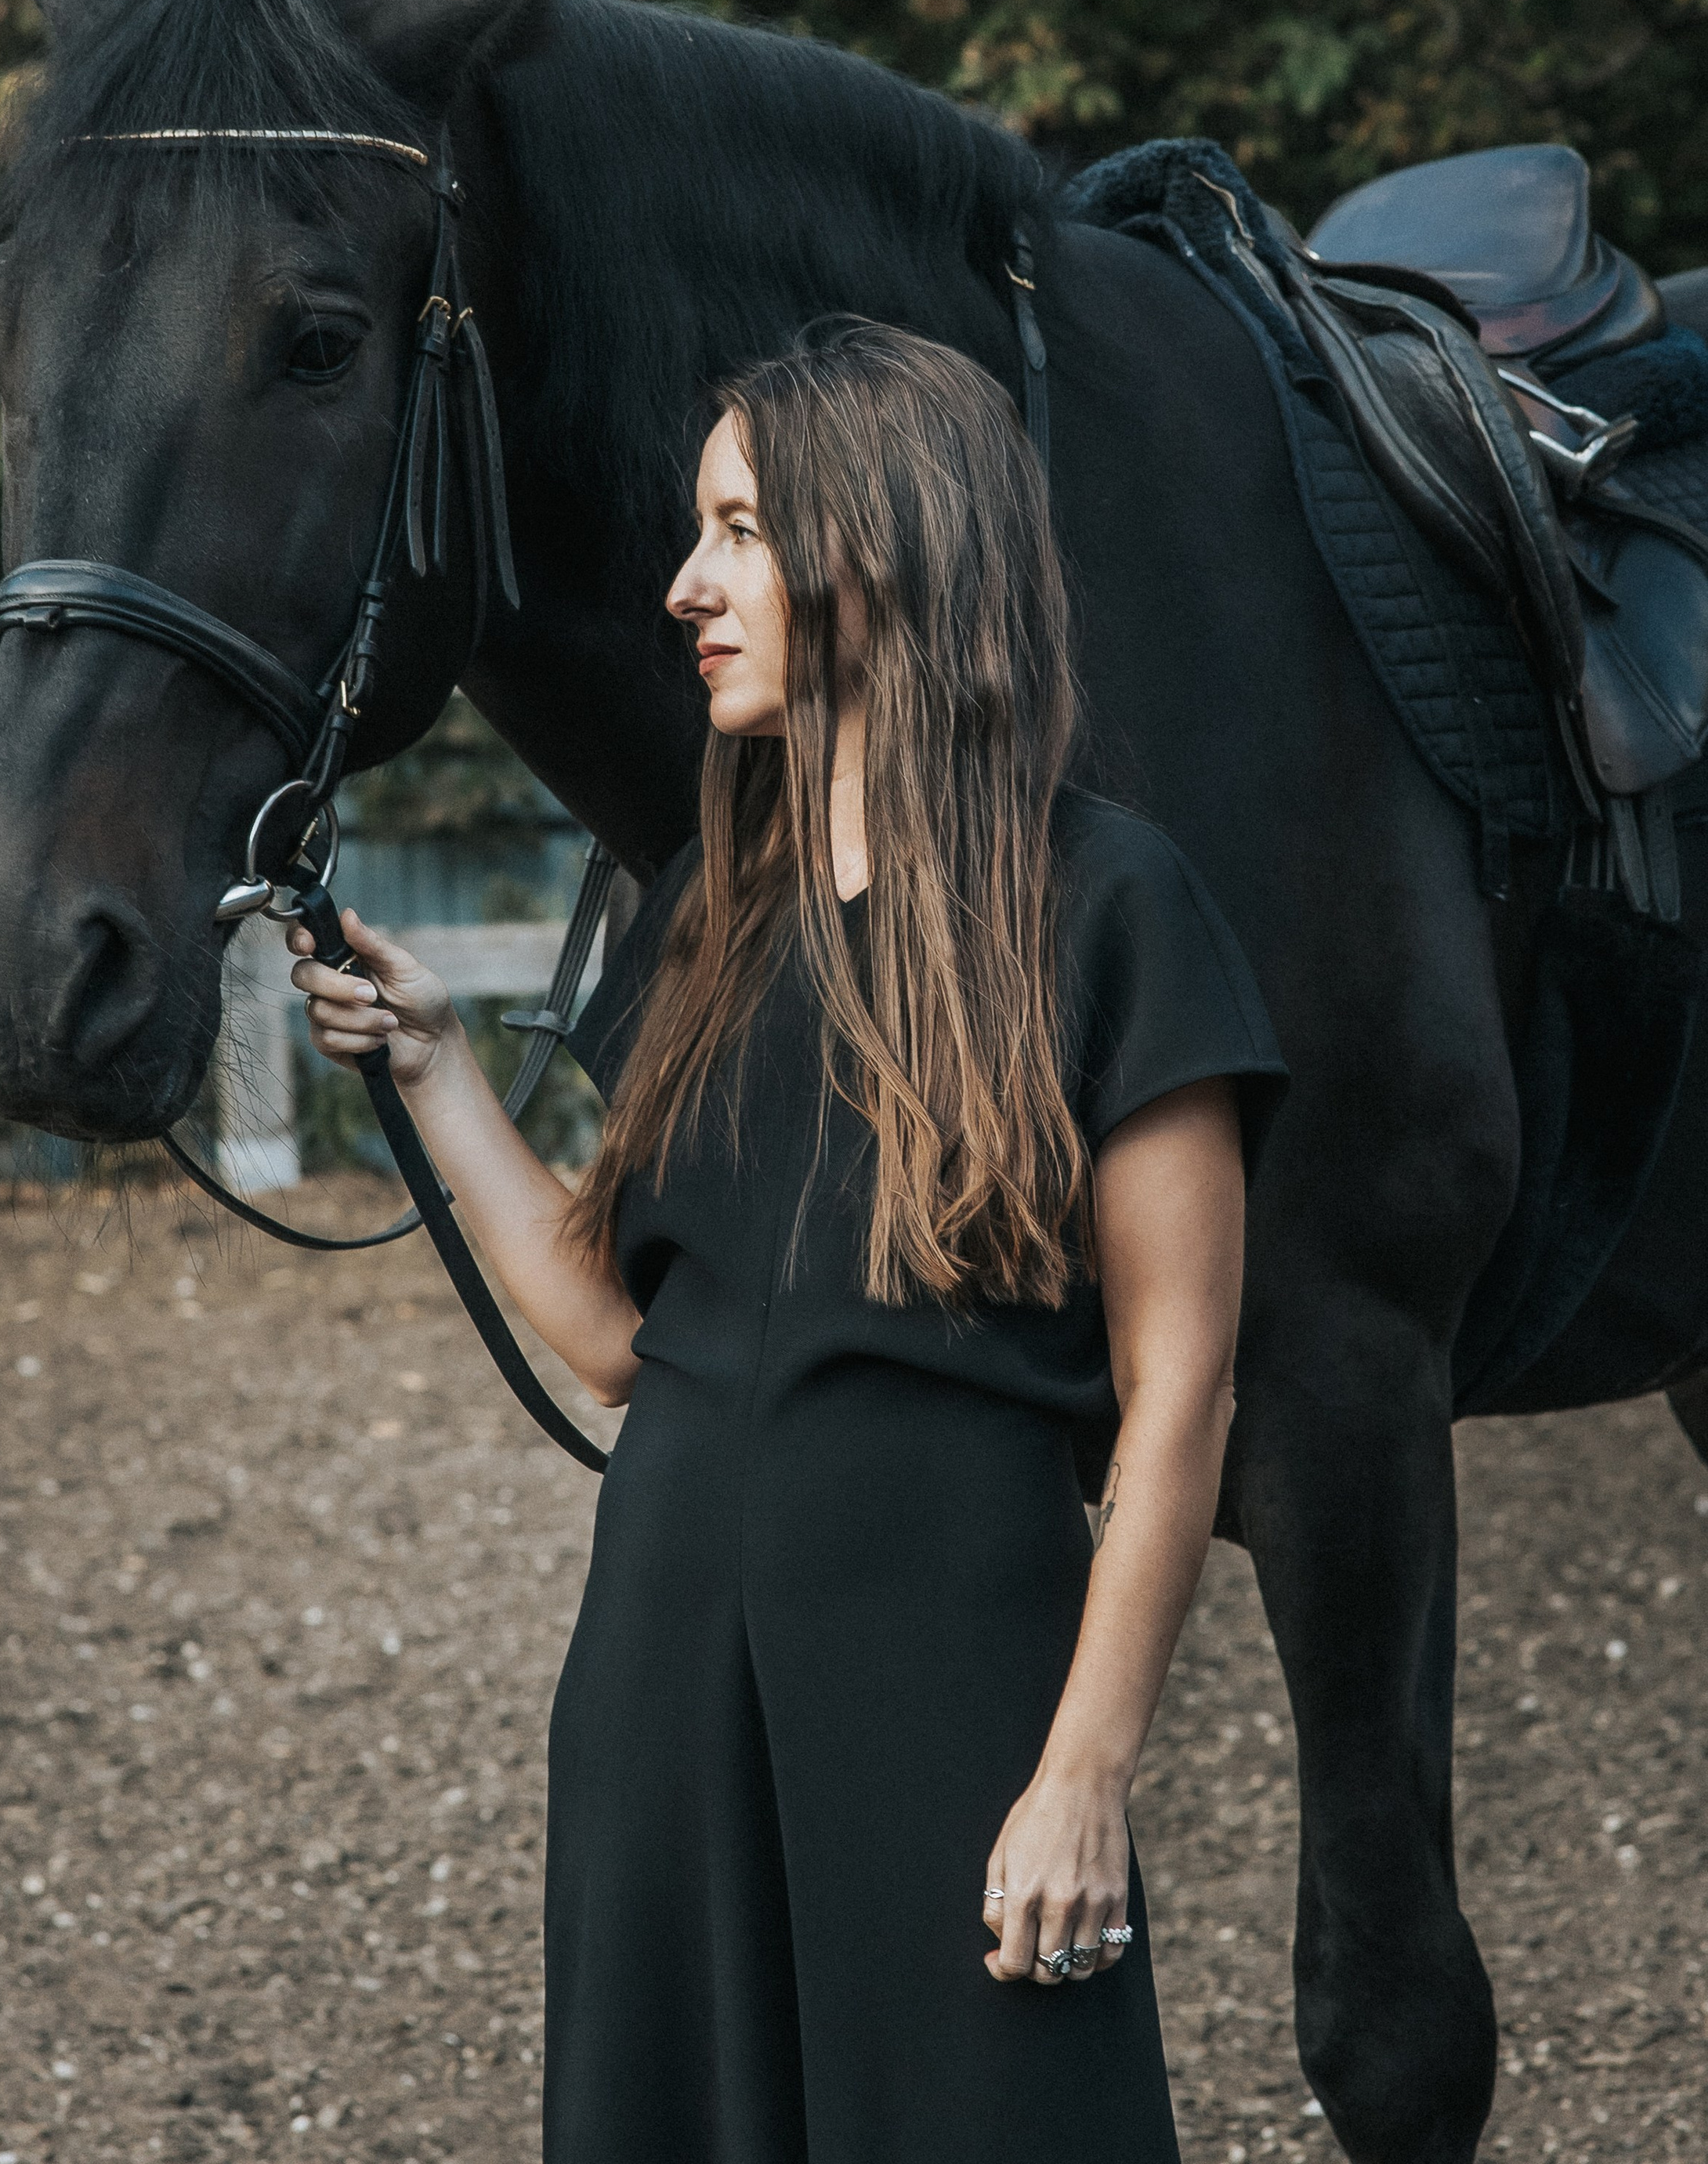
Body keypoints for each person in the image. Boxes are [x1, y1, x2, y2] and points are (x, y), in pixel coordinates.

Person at [288, 320, 1285, 2163]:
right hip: (659, 1680)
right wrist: (433, 1069)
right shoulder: (704, 915)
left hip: (947, 1679)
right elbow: (614, 1339)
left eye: (738, 531)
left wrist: (1084, 1771)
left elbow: (1178, 1389)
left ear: (883, 549)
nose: (684, 586)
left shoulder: (1112, 907)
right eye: (698, 531)